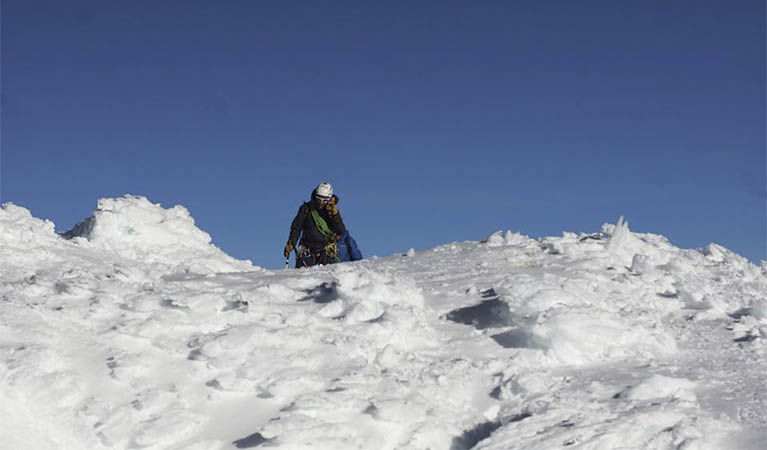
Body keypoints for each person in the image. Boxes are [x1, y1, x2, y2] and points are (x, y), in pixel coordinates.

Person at [284, 182, 346, 268]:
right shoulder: (306, 209)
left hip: (326, 250)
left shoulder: (332, 211)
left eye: (324, 200)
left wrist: (335, 215)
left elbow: (340, 231)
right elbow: (296, 227)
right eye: (319, 199)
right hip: (307, 249)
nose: (321, 202)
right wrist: (292, 242)